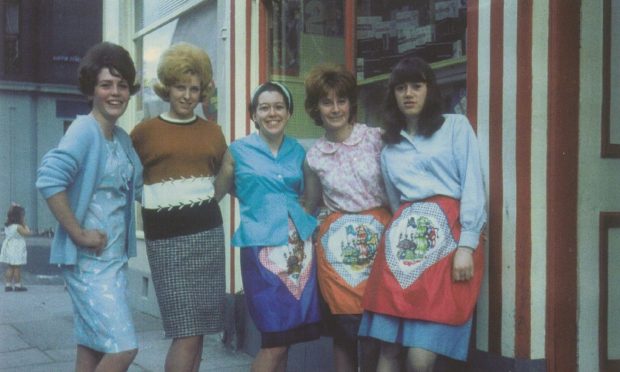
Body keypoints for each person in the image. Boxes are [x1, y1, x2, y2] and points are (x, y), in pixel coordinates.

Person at [358, 57, 487, 372]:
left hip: (448, 242)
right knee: (387, 347)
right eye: (401, 88)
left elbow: (473, 184)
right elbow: (394, 202)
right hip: (403, 248)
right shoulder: (389, 150)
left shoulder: (454, 127)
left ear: (430, 89)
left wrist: (466, 246)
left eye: (417, 85)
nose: (409, 94)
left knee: (420, 355)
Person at [36, 42, 142, 372]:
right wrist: (79, 234)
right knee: (123, 348)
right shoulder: (85, 130)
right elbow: (49, 180)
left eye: (122, 85)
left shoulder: (121, 138)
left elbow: (137, 187)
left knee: (93, 348)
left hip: (113, 262)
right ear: (91, 89)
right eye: (106, 84)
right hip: (89, 263)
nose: (115, 93)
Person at [130, 42, 227, 372]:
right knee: (184, 332)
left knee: (198, 332)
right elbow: (126, 181)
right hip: (166, 243)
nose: (187, 95)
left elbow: (222, 180)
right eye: (180, 87)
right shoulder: (144, 133)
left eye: (194, 89)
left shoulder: (213, 133)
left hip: (208, 239)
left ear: (202, 93)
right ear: (167, 88)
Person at [214, 82, 320, 372]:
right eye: (264, 107)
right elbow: (218, 192)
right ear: (254, 114)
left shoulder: (299, 151)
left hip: (298, 252)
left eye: (278, 107)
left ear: (288, 113)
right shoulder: (237, 151)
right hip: (261, 252)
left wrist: (301, 220)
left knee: (285, 339)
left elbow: (312, 198)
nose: (272, 113)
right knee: (273, 339)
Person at [302, 63, 388, 372]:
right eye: (327, 101)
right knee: (344, 332)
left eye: (342, 100)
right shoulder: (314, 157)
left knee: (378, 330)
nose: (335, 108)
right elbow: (310, 204)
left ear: (351, 103)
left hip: (381, 241)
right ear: (316, 107)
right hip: (340, 251)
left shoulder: (376, 138)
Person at [1, 203, 32, 292]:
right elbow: (27, 233)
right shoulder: (18, 227)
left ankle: (8, 284)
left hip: (9, 246)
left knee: (10, 266)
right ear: (19, 217)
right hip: (16, 248)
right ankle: (18, 285)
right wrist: (24, 224)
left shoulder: (8, 225)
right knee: (17, 267)